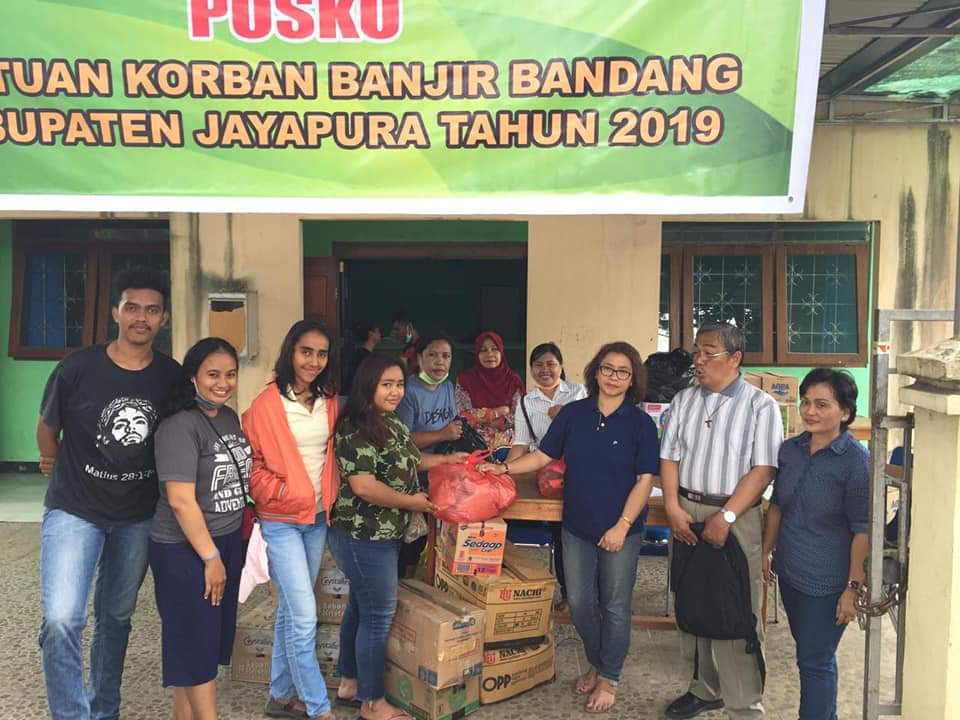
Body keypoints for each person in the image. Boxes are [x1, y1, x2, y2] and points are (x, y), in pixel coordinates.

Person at [479, 341, 659, 714]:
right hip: (577, 525)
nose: (613, 377)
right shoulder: (574, 414)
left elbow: (645, 479)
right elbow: (543, 455)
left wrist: (622, 525)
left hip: (622, 528)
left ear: (632, 379)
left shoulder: (640, 423)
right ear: (595, 372)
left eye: (622, 372)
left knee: (615, 604)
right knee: (578, 602)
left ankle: (609, 676)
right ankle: (598, 660)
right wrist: (503, 468)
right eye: (607, 369)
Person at [36, 267, 181, 720]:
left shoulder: (171, 377)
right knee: (61, 618)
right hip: (75, 509)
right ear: (116, 312)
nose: (141, 317)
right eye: (132, 307)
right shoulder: (78, 367)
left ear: (164, 318)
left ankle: (105, 709)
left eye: (152, 310)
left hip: (138, 515)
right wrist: (51, 463)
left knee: (115, 618)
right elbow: (47, 427)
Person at [328, 353, 466, 720]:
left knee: (361, 606)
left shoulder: (390, 421)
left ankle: (350, 683)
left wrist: (448, 461)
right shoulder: (355, 428)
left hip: (385, 533)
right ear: (368, 386)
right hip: (362, 535)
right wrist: (412, 501)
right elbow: (364, 486)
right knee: (378, 615)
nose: (395, 392)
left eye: (400, 384)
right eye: (386, 384)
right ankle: (372, 703)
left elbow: (411, 460)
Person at [660, 322, 783, 720]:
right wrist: (673, 508)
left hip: (736, 516)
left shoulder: (760, 405)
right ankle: (705, 688)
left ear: (734, 358)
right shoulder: (683, 400)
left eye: (708, 353)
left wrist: (727, 515)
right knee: (692, 598)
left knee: (736, 606)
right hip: (687, 511)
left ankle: (744, 703)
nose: (698, 360)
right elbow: (669, 457)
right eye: (696, 352)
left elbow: (764, 469)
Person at [242, 320, 340, 720]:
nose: (314, 361)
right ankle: (319, 708)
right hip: (280, 520)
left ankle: (280, 696)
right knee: (303, 615)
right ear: (290, 352)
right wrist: (282, 492)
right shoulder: (266, 404)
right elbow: (250, 464)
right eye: (306, 352)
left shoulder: (329, 401)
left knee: (290, 611)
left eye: (321, 354)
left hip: (316, 519)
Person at [149, 337, 250, 720]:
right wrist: (210, 557)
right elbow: (180, 500)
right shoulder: (179, 425)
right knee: (195, 643)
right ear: (192, 376)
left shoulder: (228, 417)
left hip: (226, 540)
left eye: (230, 374)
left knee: (202, 645)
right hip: (186, 549)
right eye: (213, 375)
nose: (223, 383)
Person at [762, 369, 868, 720]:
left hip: (827, 583)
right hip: (790, 573)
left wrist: (852, 589)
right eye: (806, 402)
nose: (810, 411)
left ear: (845, 412)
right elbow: (778, 506)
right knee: (810, 654)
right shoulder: (790, 450)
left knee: (815, 661)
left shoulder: (856, 461)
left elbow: (863, 531)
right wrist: (766, 550)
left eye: (822, 405)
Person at [504, 342, 587, 608]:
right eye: (538, 365)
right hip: (547, 478)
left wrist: (565, 416)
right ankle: (567, 593)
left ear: (561, 366)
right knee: (558, 532)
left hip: (580, 474)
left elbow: (590, 432)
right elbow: (521, 443)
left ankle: (583, 595)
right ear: (530, 369)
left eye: (551, 363)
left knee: (576, 534)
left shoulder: (578, 393)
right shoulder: (526, 402)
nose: (545, 370)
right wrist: (502, 472)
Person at [395, 334, 463, 576]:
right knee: (411, 541)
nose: (439, 362)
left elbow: (453, 425)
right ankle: (403, 585)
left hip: (441, 474)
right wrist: (442, 434)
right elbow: (401, 439)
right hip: (413, 476)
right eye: (432, 355)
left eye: (445, 356)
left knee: (436, 538)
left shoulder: (447, 386)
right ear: (419, 358)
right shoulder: (408, 391)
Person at [455, 330, 525, 461]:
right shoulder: (465, 379)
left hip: (507, 441)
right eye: (483, 350)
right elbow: (462, 413)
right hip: (474, 439)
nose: (489, 354)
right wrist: (495, 413)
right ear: (477, 353)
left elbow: (520, 415)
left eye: (494, 349)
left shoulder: (513, 380)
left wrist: (502, 421)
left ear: (501, 352)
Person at [345, 322, 381, 393]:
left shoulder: (359, 354)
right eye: (378, 331)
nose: (380, 334)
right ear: (370, 334)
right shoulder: (365, 356)